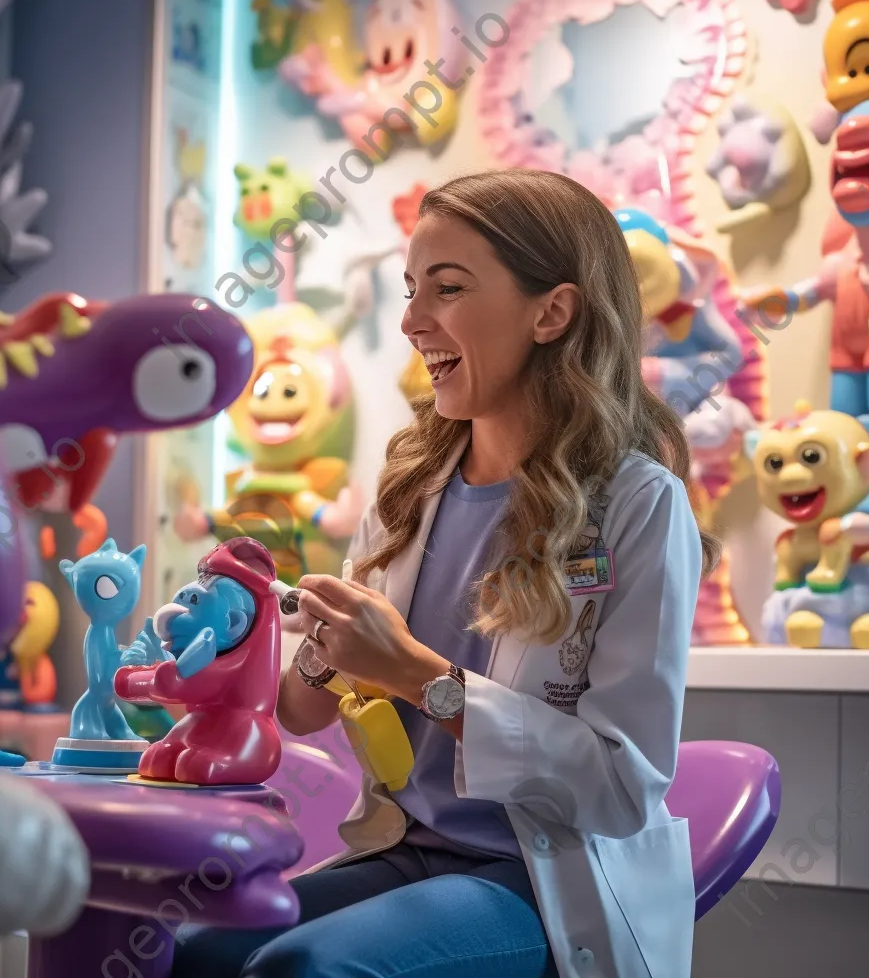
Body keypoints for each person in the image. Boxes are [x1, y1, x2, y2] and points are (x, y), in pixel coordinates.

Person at [173, 169, 716, 978]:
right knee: (193, 953)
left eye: (448, 289)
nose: (411, 321)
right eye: (409, 290)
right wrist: (277, 642)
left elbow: (620, 786)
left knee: (305, 971)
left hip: (540, 877)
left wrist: (421, 676)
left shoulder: (640, 505)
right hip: (406, 851)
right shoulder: (409, 493)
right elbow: (303, 709)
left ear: (552, 312)